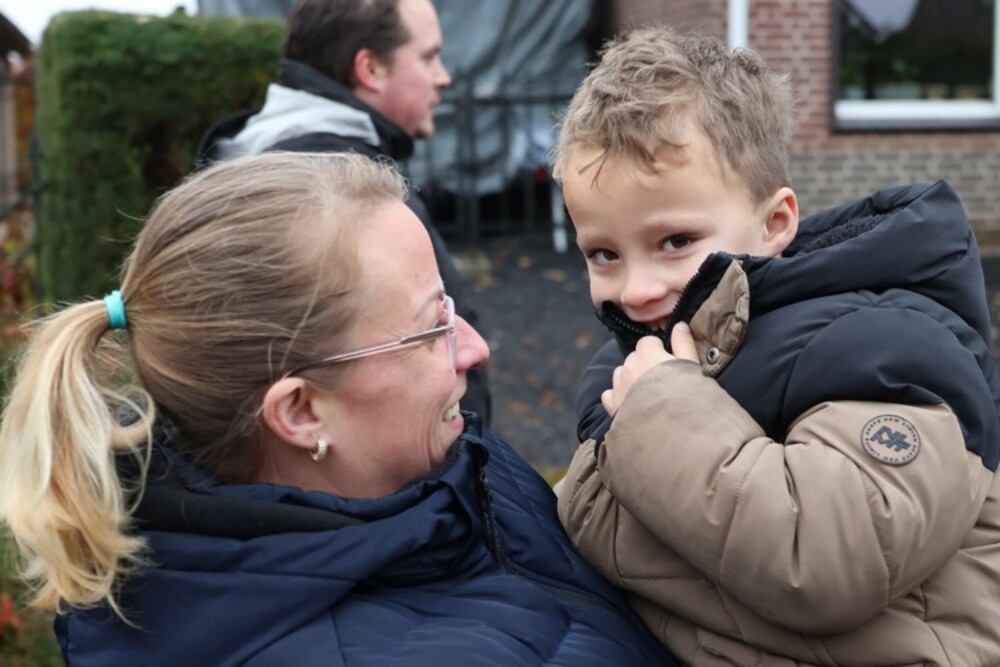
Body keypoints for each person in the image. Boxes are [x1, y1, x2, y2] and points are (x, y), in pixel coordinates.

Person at [0, 152, 678, 665]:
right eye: (431, 327)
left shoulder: (442, 467)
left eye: (450, 307)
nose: (475, 346)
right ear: (300, 412)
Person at [550, 25, 1000, 666]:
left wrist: (657, 412)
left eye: (675, 241)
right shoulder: (653, 365)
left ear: (775, 223)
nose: (636, 289)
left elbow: (828, 558)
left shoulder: (886, 348)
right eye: (603, 254)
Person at [196, 0, 491, 424]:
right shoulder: (345, 194)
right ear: (370, 69)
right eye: (428, 57)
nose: (443, 77)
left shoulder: (253, 163)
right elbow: (445, 360)